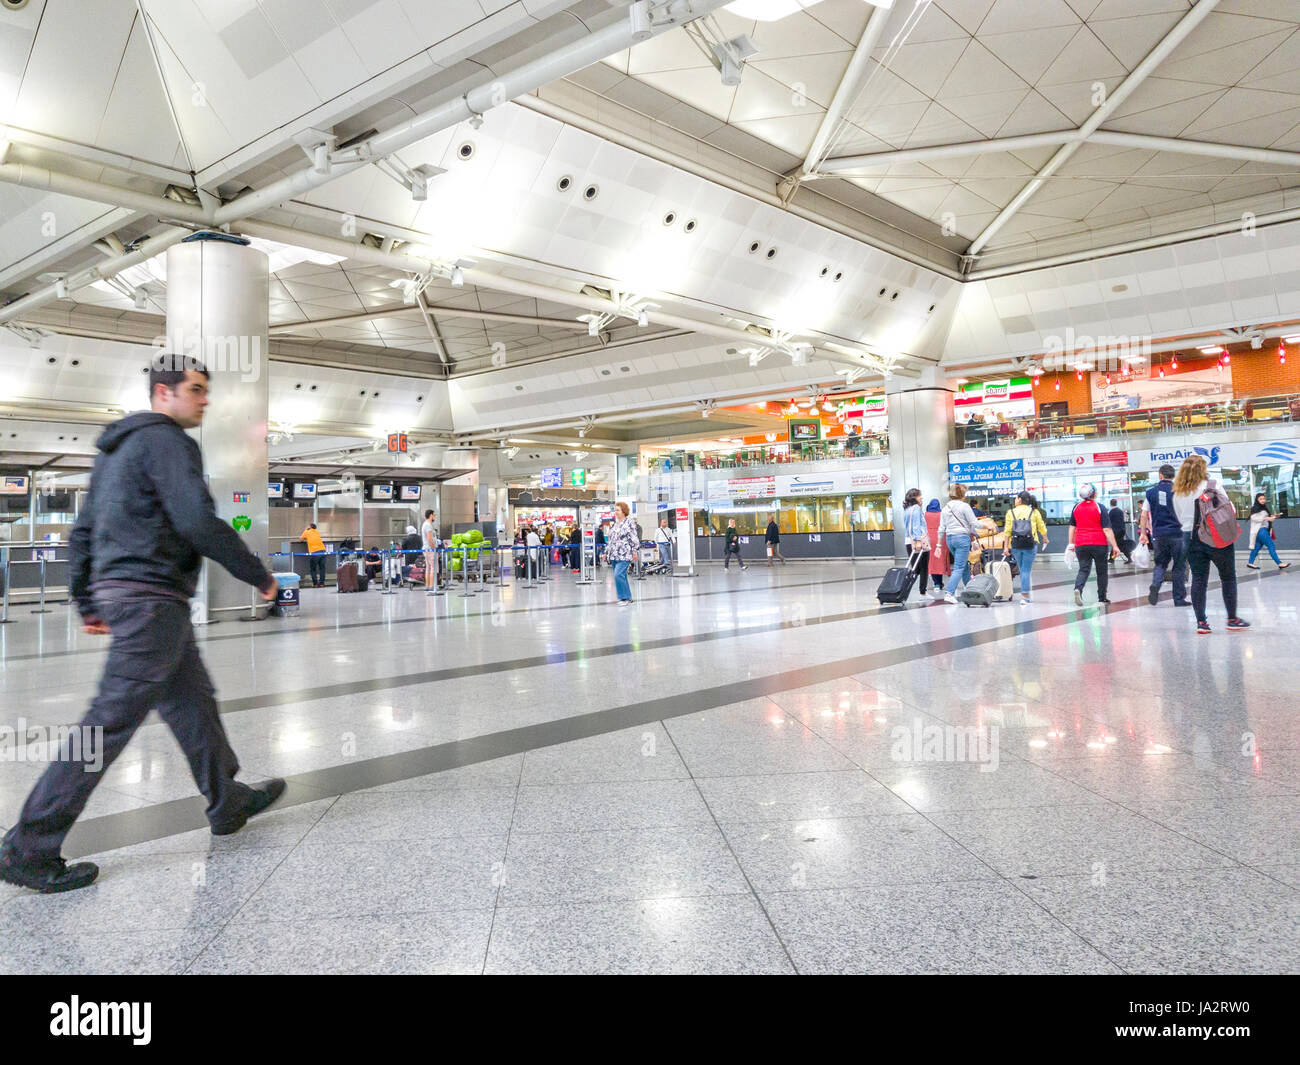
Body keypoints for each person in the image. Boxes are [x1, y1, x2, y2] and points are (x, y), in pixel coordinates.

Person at [0, 360, 284, 894]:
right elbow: (197, 520)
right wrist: (257, 575)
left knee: (192, 701)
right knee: (106, 724)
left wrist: (86, 599)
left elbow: (82, 533)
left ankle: (226, 799)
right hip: (151, 600)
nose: (204, 401)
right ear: (163, 393)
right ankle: (27, 847)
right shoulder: (168, 442)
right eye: (196, 391)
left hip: (141, 599)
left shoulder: (112, 453)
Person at [1173, 455, 1249, 634]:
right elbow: (1231, 510)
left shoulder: (1178, 492)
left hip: (1191, 539)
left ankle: (1202, 623)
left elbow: (1179, 518)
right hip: (1216, 537)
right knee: (1228, 577)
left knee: (1199, 580)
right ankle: (1232, 619)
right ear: (1203, 469)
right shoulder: (1213, 486)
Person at [1139, 464, 1190, 608]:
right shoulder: (1181, 492)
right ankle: (1179, 600)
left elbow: (1143, 515)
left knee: (1160, 564)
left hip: (1159, 535)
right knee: (1179, 567)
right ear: (1173, 476)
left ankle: (1156, 584)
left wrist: (1143, 533)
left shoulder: (1151, 492)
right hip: (1178, 535)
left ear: (1160, 476)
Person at [1068, 483, 1120, 606]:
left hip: (1081, 543)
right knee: (1101, 571)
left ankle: (1078, 589)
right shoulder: (1100, 507)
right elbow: (1107, 529)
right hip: (1099, 543)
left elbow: (1072, 527)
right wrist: (1115, 546)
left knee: (1083, 569)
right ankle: (1102, 598)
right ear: (1093, 493)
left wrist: (1071, 543)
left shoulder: (1076, 507)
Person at [1003, 490, 1047, 605]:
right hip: (1030, 543)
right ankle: (1025, 596)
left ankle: (1024, 595)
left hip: (1016, 544)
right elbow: (1041, 526)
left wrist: (1005, 547)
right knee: (1026, 570)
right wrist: (1045, 538)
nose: (1015, 500)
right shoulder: (1034, 512)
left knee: (1022, 570)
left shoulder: (1010, 512)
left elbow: (1007, 531)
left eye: (1016, 498)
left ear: (1020, 500)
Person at [940, 484, 981, 604]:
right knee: (959, 567)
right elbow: (974, 523)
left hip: (950, 539)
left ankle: (969, 589)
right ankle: (949, 593)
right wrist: (986, 526)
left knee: (964, 566)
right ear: (962, 494)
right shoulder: (965, 506)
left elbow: (941, 527)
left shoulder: (945, 507)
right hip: (962, 538)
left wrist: (938, 544)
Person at [1247, 493, 1290, 571]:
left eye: (1264, 498)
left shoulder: (1264, 508)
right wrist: (1267, 518)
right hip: (1261, 530)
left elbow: (1265, 518)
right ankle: (1279, 563)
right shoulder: (1255, 508)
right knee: (1271, 545)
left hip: (1262, 530)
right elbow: (1253, 518)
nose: (1263, 500)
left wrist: (1273, 517)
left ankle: (1250, 563)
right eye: (1260, 499)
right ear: (1257, 500)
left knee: (1257, 547)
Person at [607, 502, 639, 603]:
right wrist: (606, 552)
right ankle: (628, 597)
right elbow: (611, 540)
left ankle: (623, 598)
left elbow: (634, 538)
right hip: (614, 554)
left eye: (618, 510)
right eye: (615, 510)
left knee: (618, 575)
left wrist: (634, 551)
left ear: (623, 511)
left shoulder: (629, 523)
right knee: (622, 576)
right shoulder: (615, 524)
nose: (615, 512)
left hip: (625, 554)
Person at [902, 489, 929, 598]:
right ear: (915, 497)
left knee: (915, 569)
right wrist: (918, 540)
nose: (921, 497)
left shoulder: (907, 509)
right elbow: (916, 525)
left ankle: (900, 588)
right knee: (923, 568)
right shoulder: (916, 508)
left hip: (908, 541)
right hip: (920, 541)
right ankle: (923, 592)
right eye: (919, 495)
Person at [924, 497, 947, 597]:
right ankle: (940, 582)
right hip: (940, 539)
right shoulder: (942, 514)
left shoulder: (925, 514)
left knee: (932, 562)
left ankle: (936, 583)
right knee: (940, 561)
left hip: (929, 539)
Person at [301, 522, 327, 587]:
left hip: (315, 552)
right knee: (322, 568)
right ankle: (321, 583)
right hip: (323, 551)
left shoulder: (307, 531)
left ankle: (315, 584)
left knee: (313, 569)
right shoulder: (317, 531)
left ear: (310, 527)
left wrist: (306, 530)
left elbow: (301, 539)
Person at [1108, 498, 1133, 564]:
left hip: (1116, 531)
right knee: (1119, 544)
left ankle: (1112, 559)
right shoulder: (1120, 511)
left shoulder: (1111, 512)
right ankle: (1112, 558)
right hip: (1122, 530)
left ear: (1110, 504)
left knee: (1117, 544)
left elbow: (1108, 522)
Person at [420, 508, 438, 595]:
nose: (434, 517)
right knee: (433, 567)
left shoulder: (425, 524)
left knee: (428, 567)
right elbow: (430, 539)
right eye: (434, 515)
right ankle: (432, 586)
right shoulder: (428, 525)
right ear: (431, 515)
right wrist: (434, 549)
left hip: (426, 548)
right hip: (430, 549)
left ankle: (428, 585)